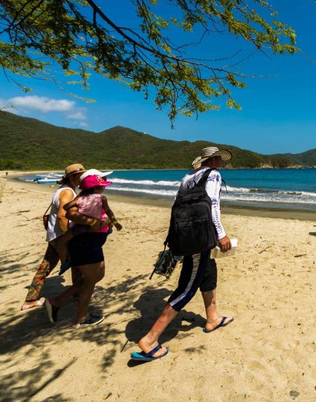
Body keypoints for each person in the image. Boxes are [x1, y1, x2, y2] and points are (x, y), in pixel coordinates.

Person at [132, 146, 234, 362]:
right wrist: (221, 234)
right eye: (219, 159)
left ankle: (212, 318)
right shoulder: (213, 174)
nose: (220, 163)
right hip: (200, 238)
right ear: (213, 160)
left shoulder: (188, 177)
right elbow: (213, 205)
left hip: (189, 236)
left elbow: (175, 205)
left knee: (208, 272)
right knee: (187, 287)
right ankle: (150, 340)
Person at [45, 171, 120, 327]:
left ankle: (57, 301)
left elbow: (105, 216)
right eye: (101, 182)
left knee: (98, 275)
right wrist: (93, 221)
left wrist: (108, 221)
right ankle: (81, 318)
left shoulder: (93, 199)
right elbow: (70, 214)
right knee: (91, 280)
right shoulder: (80, 199)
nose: (104, 184)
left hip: (92, 242)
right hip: (85, 243)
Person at [20, 163, 85, 311]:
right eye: (80, 176)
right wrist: (68, 238)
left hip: (54, 235)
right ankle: (77, 294)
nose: (82, 179)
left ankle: (30, 299)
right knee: (78, 265)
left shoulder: (62, 190)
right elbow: (62, 216)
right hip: (61, 236)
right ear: (73, 177)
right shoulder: (67, 192)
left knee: (46, 266)